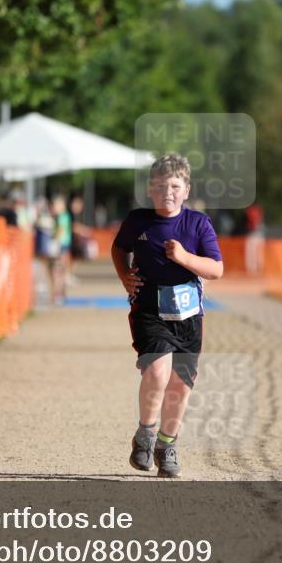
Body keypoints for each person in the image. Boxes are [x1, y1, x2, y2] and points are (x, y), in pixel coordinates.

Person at [111, 153, 224, 478]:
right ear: (150, 189)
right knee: (158, 373)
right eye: (160, 186)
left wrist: (185, 257)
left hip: (188, 317)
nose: (167, 192)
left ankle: (167, 444)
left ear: (186, 189)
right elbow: (119, 249)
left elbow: (216, 269)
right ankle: (145, 433)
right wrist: (124, 275)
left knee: (180, 385)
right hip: (149, 309)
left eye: (174, 185)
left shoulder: (198, 224)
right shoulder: (138, 220)